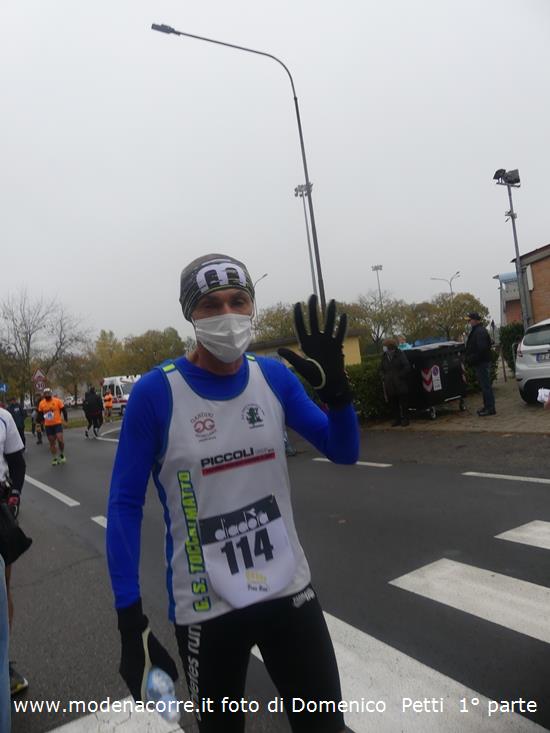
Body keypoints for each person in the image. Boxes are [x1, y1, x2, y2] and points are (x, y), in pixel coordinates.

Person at [107, 253, 359, 733]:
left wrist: (340, 396)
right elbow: (123, 505)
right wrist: (129, 619)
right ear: (190, 314)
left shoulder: (273, 377)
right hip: (207, 607)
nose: (227, 314)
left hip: (288, 590)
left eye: (238, 301)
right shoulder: (156, 394)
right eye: (211, 304)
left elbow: (344, 451)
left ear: (252, 307)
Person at [0, 406, 29, 704]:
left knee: (2, 587)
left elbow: (17, 464)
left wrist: (15, 494)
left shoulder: (3, 417)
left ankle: (2, 662)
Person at [465, 312, 495, 416]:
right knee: (484, 385)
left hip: (482, 362)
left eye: (470, 320)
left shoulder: (479, 331)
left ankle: (490, 408)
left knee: (486, 386)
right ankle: (487, 406)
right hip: (481, 362)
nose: (469, 322)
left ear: (475, 320)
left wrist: (472, 358)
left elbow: (482, 349)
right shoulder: (478, 331)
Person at [381, 338, 411, 426]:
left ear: (390, 347)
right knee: (393, 403)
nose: (384, 348)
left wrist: (400, 376)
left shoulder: (400, 354)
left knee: (403, 403)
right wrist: (384, 376)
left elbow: (407, 367)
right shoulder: (384, 356)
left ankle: (405, 419)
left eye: (385, 346)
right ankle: (397, 419)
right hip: (389, 384)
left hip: (400, 383)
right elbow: (381, 368)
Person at [37, 389, 68, 465]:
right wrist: (40, 424)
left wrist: (65, 421)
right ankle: (54, 458)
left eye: (48, 393)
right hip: (48, 425)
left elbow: (64, 410)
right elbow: (40, 414)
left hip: (57, 423)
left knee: (60, 440)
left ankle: (61, 454)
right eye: (45, 393)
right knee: (52, 443)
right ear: (44, 395)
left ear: (51, 394)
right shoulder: (42, 403)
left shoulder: (57, 401)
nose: (47, 395)